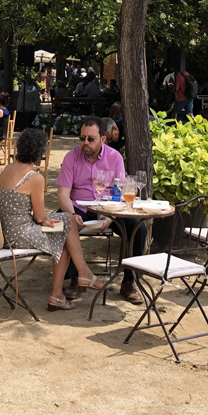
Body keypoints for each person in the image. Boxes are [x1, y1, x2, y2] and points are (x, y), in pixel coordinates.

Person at [0, 128, 104, 311]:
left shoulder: (8, 168)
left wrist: (45, 220)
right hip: (15, 236)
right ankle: (63, 290)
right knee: (63, 235)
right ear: (40, 152)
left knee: (68, 220)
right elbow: (39, 217)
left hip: (1, 232)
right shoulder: (34, 177)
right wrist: (44, 220)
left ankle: (79, 277)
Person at [56, 117, 142, 304]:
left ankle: (129, 281)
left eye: (90, 139)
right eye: (82, 138)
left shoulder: (115, 157)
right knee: (62, 222)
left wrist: (110, 215)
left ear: (103, 139)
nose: (85, 143)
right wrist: (72, 214)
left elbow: (120, 193)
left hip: (109, 207)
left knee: (138, 228)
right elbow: (63, 194)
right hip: (80, 206)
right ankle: (75, 277)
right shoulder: (71, 157)